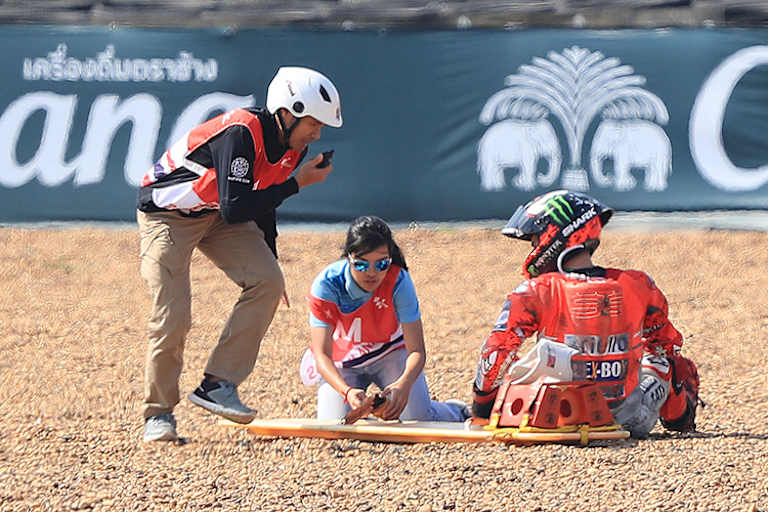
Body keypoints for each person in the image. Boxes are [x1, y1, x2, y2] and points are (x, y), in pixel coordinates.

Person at [137, 66, 343, 442]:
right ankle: (159, 413)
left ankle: (217, 385)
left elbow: (263, 201)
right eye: (313, 123)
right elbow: (237, 207)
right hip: (167, 216)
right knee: (173, 316)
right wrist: (297, 183)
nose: (317, 133)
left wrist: (269, 260)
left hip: (216, 211)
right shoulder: (241, 133)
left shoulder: (293, 147)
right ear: (287, 113)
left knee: (268, 282)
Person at [471, 190, 701, 438]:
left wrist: (482, 411)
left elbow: (496, 351)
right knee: (667, 362)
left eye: (535, 240)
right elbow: (667, 345)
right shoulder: (638, 284)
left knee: (513, 362)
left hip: (555, 416)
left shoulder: (537, 289)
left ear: (556, 234)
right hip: (629, 419)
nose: (534, 248)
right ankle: (681, 422)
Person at [300, 216, 470, 422]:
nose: (372, 273)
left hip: (390, 353)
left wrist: (404, 384)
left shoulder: (399, 281)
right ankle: (372, 415)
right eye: (361, 264)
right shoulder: (327, 285)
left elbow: (417, 350)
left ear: (390, 258)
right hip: (344, 360)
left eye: (381, 264)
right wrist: (347, 391)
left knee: (418, 419)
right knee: (334, 424)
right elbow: (322, 355)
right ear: (348, 257)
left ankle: (456, 410)